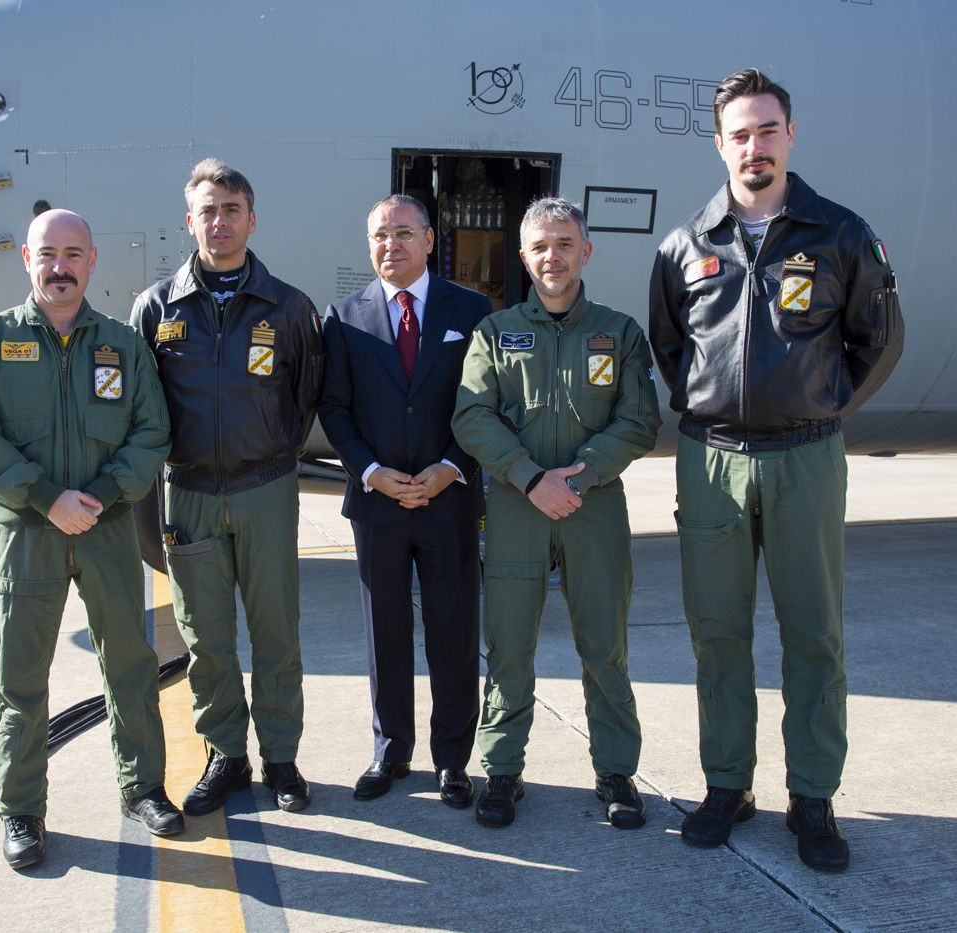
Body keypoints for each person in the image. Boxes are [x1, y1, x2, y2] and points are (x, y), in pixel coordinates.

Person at [648, 68, 904, 872]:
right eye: (739, 133)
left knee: (814, 634)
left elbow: (881, 341)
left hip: (804, 459)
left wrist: (820, 407)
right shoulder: (686, 244)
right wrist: (713, 410)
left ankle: (814, 796)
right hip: (712, 461)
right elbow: (669, 349)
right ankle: (728, 784)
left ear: (790, 135)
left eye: (767, 129)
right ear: (718, 143)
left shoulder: (841, 234)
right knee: (717, 633)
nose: (753, 146)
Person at [0, 209, 180, 870]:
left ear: (92, 262)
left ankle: (144, 788)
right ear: (27, 257)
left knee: (130, 665)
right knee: (20, 677)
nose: (61, 266)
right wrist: (46, 497)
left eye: (73, 254)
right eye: (49, 253)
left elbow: (151, 430)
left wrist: (102, 495)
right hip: (28, 532)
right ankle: (21, 808)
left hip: (105, 530)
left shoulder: (121, 346)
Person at [453, 197, 660, 828]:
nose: (553, 257)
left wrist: (586, 472)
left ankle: (617, 772)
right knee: (508, 647)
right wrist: (529, 477)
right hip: (518, 507)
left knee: (604, 646)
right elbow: (472, 415)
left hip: (594, 508)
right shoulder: (495, 332)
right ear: (523, 256)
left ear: (585, 251)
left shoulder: (619, 333)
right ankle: (502, 771)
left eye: (565, 244)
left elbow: (639, 419)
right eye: (541, 246)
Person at [129, 159, 323, 815]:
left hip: (265, 487)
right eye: (207, 210)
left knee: (276, 634)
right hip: (189, 493)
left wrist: (263, 452)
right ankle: (226, 756)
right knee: (206, 640)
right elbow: (144, 411)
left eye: (231, 208)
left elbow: (303, 401)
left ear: (251, 218)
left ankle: (283, 760)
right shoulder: (156, 308)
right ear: (190, 221)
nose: (220, 221)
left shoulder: (290, 307)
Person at [319, 195, 492, 808]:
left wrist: (452, 467)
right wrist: (369, 470)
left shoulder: (470, 310)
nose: (390, 244)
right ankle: (390, 750)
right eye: (378, 235)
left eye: (402, 232)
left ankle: (452, 760)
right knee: (384, 633)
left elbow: (481, 401)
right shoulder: (343, 317)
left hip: (448, 502)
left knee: (452, 630)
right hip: (378, 505)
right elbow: (334, 407)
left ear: (428, 239)